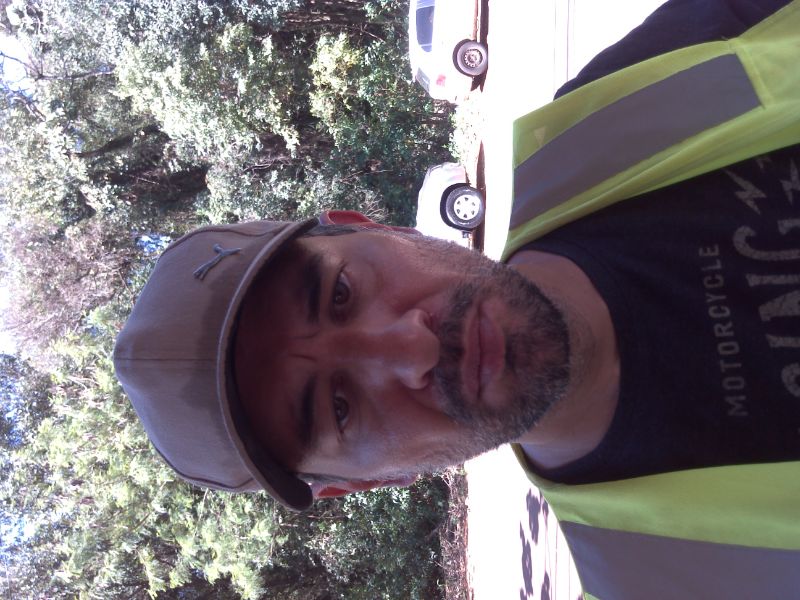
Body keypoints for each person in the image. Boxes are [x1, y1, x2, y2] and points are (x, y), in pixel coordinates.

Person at [114, 0, 800, 597]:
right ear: (367, 483)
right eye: (340, 407)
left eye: (342, 293)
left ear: (368, 225)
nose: (411, 346)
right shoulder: (676, 579)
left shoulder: (601, 127)